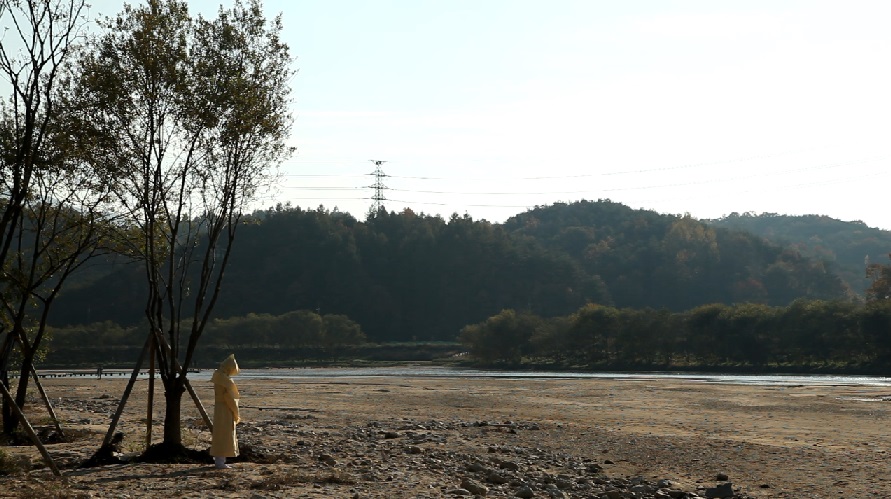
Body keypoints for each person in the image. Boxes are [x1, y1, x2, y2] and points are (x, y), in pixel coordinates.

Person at [210, 354, 241, 469]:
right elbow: (230, 397)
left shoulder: (218, 376)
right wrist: (236, 412)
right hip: (225, 408)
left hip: (219, 408)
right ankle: (220, 461)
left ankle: (219, 460)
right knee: (225, 434)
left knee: (220, 433)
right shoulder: (226, 380)